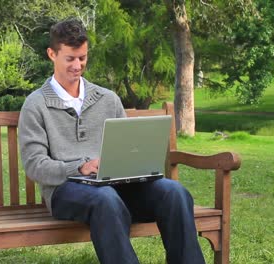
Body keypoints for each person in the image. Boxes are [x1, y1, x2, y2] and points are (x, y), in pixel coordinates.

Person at [18, 19, 205, 264]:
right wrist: (79, 167)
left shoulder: (107, 99)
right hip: (66, 190)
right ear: (52, 54)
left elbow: (127, 147)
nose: (78, 66)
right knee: (105, 198)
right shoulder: (36, 105)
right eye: (70, 59)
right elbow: (34, 165)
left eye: (82, 58)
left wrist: (135, 165)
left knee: (174, 192)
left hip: (118, 187)